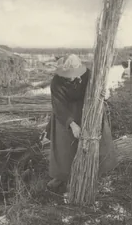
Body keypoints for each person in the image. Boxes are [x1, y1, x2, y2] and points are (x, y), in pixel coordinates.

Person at [46, 54, 118, 193]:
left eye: (74, 74)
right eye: (68, 75)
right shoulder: (56, 81)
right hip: (66, 113)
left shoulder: (88, 74)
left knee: (96, 140)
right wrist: (72, 124)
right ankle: (63, 176)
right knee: (65, 145)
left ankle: (96, 171)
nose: (71, 78)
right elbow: (59, 105)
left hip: (88, 109)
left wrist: (102, 93)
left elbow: (99, 89)